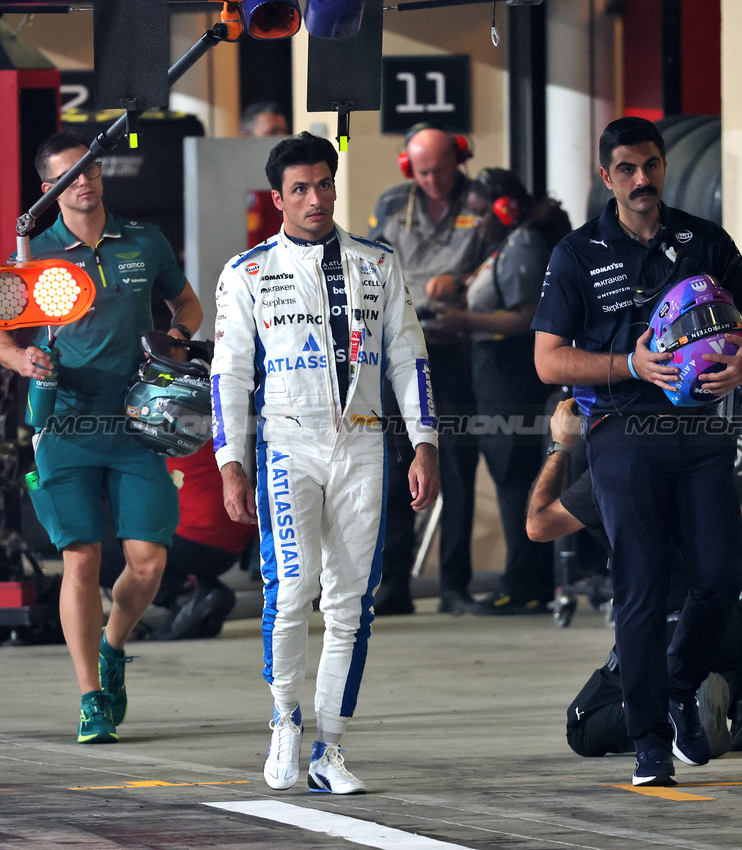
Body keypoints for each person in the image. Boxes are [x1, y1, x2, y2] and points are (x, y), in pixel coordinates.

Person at [532, 116, 742, 787]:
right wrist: (630, 366)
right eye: (626, 169)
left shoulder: (703, 239)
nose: (641, 180)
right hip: (622, 433)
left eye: (650, 166)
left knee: (722, 575)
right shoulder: (576, 254)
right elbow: (548, 362)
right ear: (605, 177)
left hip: (700, 433)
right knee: (639, 587)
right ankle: (647, 742)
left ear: (662, 166)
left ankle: (678, 686)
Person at [212, 131, 439, 794]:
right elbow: (229, 375)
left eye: (323, 185)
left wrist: (423, 441)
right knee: (290, 594)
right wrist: (230, 460)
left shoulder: (378, 262)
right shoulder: (247, 270)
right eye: (300, 189)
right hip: (286, 444)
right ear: (277, 197)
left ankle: (329, 749)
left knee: (350, 604)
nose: (315, 199)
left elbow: (408, 358)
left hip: (365, 443)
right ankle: (284, 720)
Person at [0, 130, 203, 745]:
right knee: (82, 558)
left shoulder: (143, 240)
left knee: (148, 562)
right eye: (67, 174)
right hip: (65, 425)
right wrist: (24, 362)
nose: (83, 180)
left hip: (139, 421)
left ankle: (113, 645)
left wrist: (177, 341)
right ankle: (90, 699)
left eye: (90, 168)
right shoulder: (35, 256)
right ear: (48, 189)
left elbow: (187, 305)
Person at [528, 399, 742, 758]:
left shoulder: (616, 465)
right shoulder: (704, 442)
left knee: (583, 726)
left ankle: (677, 715)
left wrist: (560, 447)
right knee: (699, 646)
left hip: (674, 621)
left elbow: (537, 525)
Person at [429, 168, 570, 615]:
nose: (473, 224)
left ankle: (524, 582)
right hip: (491, 372)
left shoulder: (523, 244)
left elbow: (528, 316)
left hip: (511, 376)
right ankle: (522, 578)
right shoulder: (501, 247)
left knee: (515, 479)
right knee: (508, 476)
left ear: (504, 208)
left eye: (477, 215)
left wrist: (466, 321)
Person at [373, 125, 490, 615]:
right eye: (423, 172)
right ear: (408, 168)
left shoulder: (484, 205)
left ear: (458, 159)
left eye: (441, 169)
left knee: (457, 466)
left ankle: (454, 587)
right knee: (397, 466)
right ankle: (394, 584)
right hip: (401, 350)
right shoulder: (392, 205)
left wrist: (461, 281)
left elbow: (503, 264)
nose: (433, 180)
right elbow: (377, 264)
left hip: (454, 349)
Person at [97, 442, 255, 641]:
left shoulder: (128, 416)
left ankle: (184, 593)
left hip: (191, 531)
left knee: (84, 541)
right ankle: (198, 589)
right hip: (233, 528)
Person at [242, 102, 290, 250]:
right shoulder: (231, 186)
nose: (282, 139)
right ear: (246, 138)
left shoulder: (286, 182)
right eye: (273, 132)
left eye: (284, 132)